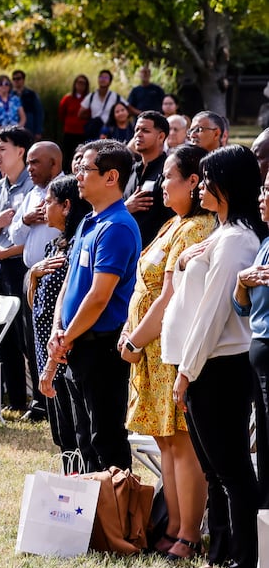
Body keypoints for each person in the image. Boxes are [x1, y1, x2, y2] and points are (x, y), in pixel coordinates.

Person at [161, 145, 266, 568]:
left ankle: (245, 559)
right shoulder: (222, 234)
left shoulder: (239, 240)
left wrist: (186, 373)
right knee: (213, 468)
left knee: (231, 469)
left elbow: (212, 312)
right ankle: (220, 550)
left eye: (207, 179)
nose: (201, 186)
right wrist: (190, 256)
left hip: (217, 365)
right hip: (203, 364)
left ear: (227, 185)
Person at [114, 145, 213, 563]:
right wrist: (131, 335)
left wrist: (135, 340)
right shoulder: (172, 224)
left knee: (182, 442)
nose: (161, 185)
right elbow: (144, 287)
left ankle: (189, 533)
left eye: (169, 177)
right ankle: (172, 524)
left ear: (193, 182)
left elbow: (170, 295)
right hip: (149, 349)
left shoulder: (196, 229)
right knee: (165, 441)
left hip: (167, 349)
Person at [47, 140, 141, 473]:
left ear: (111, 177)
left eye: (86, 169)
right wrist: (60, 329)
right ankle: (91, 519)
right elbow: (71, 284)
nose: (78, 176)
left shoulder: (117, 227)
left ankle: (117, 519)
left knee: (106, 440)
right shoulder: (89, 221)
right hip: (76, 344)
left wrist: (67, 335)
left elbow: (99, 296)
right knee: (84, 438)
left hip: (101, 348)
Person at [0, 126, 40, 414]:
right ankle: (15, 401)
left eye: (2, 149)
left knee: (27, 335)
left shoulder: (33, 187)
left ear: (21, 152)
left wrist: (1, 250)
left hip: (21, 264)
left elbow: (31, 237)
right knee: (4, 336)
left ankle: (40, 401)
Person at [27, 175, 85, 456]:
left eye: (49, 201)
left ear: (66, 206)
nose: (43, 206)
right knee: (60, 431)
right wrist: (34, 275)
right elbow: (34, 301)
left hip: (64, 347)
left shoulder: (77, 247)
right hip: (44, 344)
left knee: (75, 428)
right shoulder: (55, 246)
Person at [231, 162, 269, 510]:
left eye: (268, 191)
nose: (262, 197)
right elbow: (242, 308)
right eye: (262, 189)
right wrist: (243, 282)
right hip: (256, 348)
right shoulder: (265, 242)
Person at [123, 110, 171, 247]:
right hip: (126, 250)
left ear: (161, 136)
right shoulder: (130, 171)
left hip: (155, 254)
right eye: (136, 130)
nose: (138, 134)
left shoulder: (168, 171)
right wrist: (126, 208)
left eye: (145, 130)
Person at [79, 69, 122, 139]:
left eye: (106, 78)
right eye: (101, 77)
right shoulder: (91, 96)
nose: (103, 79)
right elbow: (80, 113)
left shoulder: (115, 96)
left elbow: (127, 107)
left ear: (110, 82)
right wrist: (92, 118)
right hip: (94, 130)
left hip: (109, 130)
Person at [59, 74, 91, 165]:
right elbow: (61, 113)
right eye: (79, 82)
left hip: (83, 132)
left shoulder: (89, 99)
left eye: (83, 83)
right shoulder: (67, 98)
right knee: (67, 155)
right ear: (75, 84)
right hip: (69, 131)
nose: (80, 85)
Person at [12, 69, 44, 137]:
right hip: (13, 127)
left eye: (18, 78)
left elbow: (38, 113)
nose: (16, 81)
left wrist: (38, 131)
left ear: (23, 80)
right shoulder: (9, 95)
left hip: (29, 127)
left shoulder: (31, 94)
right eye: (14, 79)